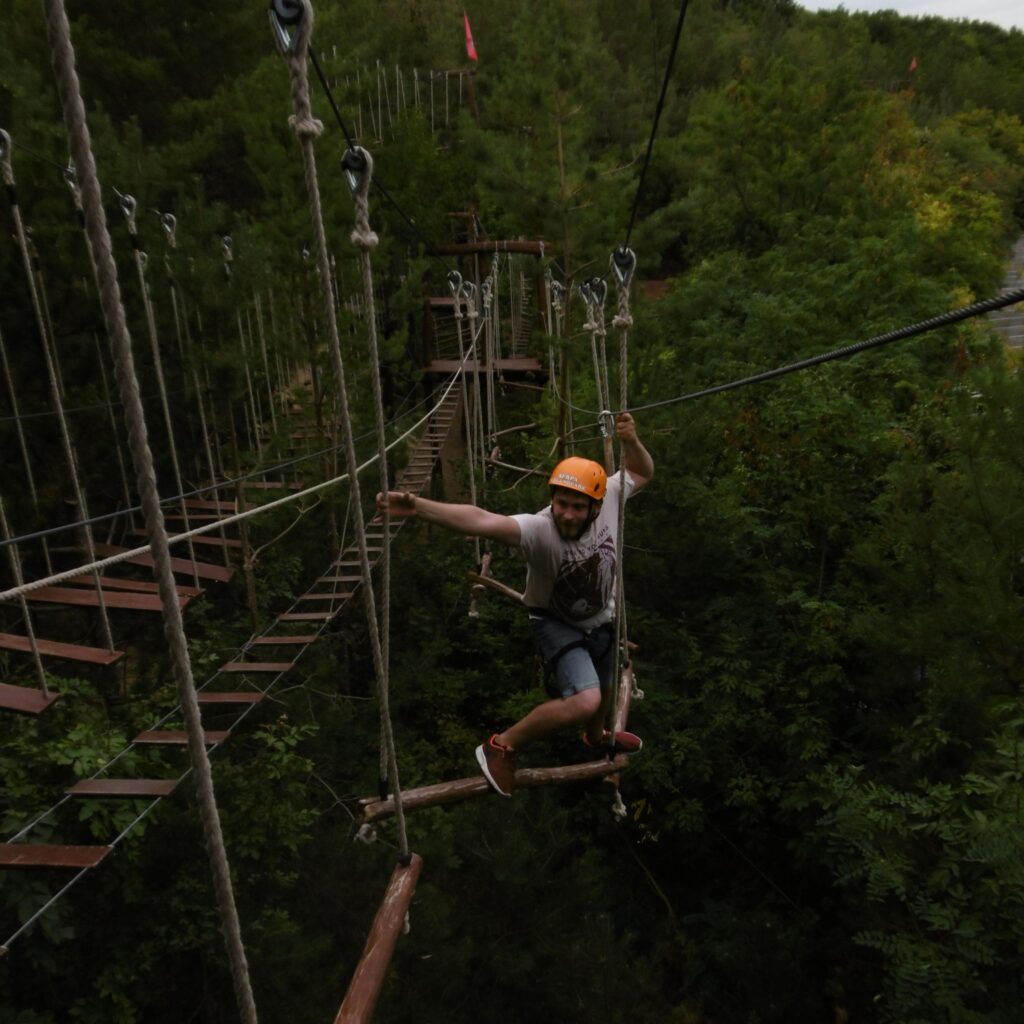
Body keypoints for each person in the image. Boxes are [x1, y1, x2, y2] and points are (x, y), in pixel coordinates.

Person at [377, 412, 654, 797]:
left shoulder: (608, 496)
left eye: (577, 507)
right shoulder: (539, 529)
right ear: (552, 499)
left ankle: (595, 737)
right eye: (561, 503)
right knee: (585, 700)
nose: (567, 514)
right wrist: (419, 508)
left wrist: (632, 442)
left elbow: (641, 472)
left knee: (605, 691)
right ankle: (501, 745)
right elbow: (481, 521)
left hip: (600, 618)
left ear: (595, 505)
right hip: (556, 621)